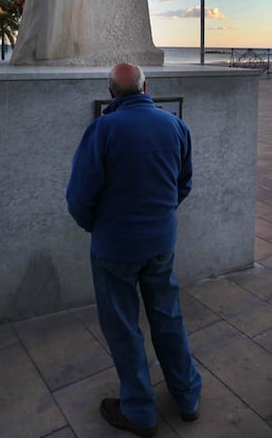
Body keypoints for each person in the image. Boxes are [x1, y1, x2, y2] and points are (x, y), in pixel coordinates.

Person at [66, 63, 202, 437]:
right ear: (146, 87)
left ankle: (140, 411)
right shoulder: (175, 126)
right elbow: (184, 182)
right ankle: (188, 394)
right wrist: (160, 216)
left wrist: (97, 225)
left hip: (115, 248)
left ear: (111, 94)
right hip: (161, 243)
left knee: (124, 328)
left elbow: (78, 198)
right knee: (168, 316)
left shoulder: (103, 130)